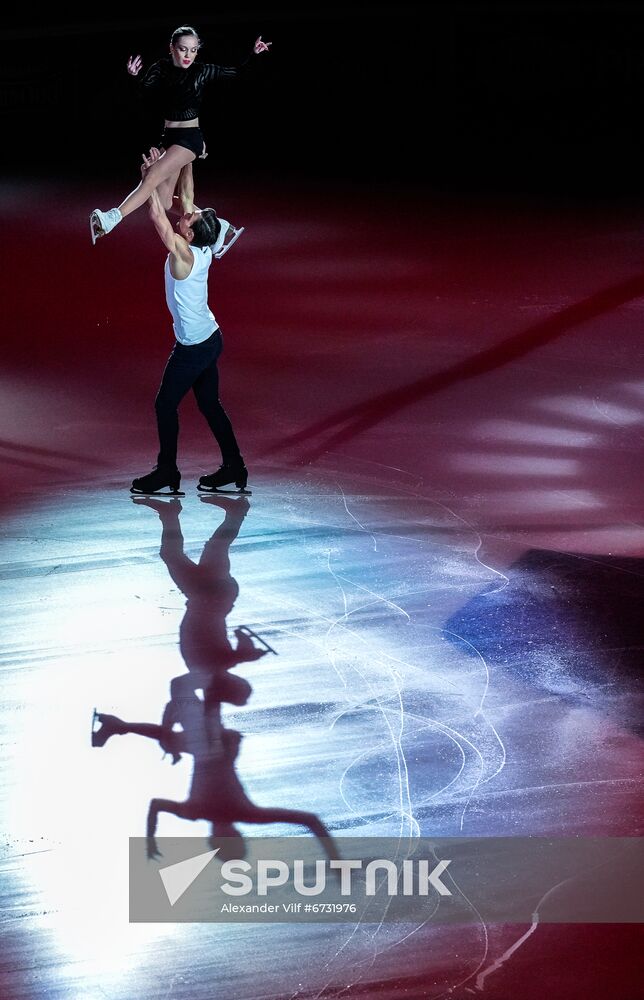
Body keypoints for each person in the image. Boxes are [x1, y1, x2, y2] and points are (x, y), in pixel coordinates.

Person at [130, 150, 248, 495]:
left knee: (165, 404)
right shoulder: (205, 245)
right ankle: (235, 466)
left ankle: (167, 472)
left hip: (195, 346)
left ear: (190, 235)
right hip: (210, 338)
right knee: (209, 403)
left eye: (188, 219)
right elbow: (189, 193)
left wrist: (150, 178)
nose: (186, 213)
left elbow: (156, 215)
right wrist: (185, 154)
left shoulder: (182, 255)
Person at [90, 24, 271, 243]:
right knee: (166, 202)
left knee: (153, 174)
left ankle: (112, 218)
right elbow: (142, 92)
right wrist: (133, 76)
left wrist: (254, 55)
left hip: (190, 138)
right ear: (172, 48)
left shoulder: (202, 71)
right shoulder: (160, 69)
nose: (188, 55)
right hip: (169, 138)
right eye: (183, 49)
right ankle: (220, 225)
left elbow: (237, 72)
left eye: (193, 50)